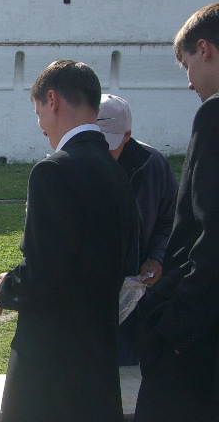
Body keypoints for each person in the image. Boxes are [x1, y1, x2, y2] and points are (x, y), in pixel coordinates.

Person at [0, 60, 139, 422]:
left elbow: (44, 275)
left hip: (51, 364)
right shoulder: (117, 173)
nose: (40, 126)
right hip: (98, 356)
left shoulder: (53, 171)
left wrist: (7, 286)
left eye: (38, 111)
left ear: (52, 100)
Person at [134, 3, 219, 421]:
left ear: (205, 49)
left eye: (187, 65)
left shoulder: (215, 114)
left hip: (201, 335)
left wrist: (175, 325)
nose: (189, 83)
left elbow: (211, 232)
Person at [97, 94, 178, 365]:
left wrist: (156, 257)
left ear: (127, 135)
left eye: (109, 144)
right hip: (90, 292)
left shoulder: (153, 165)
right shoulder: (76, 164)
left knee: (130, 367)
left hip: (138, 291)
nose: (102, 151)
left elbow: (172, 219)